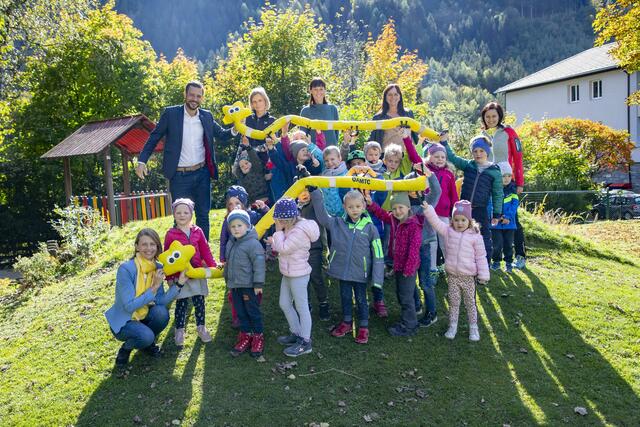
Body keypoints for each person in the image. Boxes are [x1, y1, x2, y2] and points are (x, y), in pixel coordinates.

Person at [136, 81, 236, 240]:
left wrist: (236, 128)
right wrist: (142, 161)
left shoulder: (206, 116)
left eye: (198, 96)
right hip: (179, 176)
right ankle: (181, 256)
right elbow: (155, 137)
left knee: (203, 215)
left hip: (202, 173)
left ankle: (203, 256)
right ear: (185, 94)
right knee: (181, 217)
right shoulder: (171, 114)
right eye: (191, 95)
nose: (194, 99)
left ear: (202, 98)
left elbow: (222, 135)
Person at [311, 189, 384, 345]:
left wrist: (377, 279)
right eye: (351, 207)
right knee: (345, 296)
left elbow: (378, 254)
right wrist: (315, 192)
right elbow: (323, 217)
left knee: (361, 299)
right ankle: (346, 322)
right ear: (344, 207)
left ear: (364, 206)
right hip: (342, 271)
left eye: (358, 206)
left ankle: (363, 326)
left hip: (360, 273)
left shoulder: (370, 228)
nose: (354, 210)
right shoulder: (338, 223)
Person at [105, 228, 181, 367]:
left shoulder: (157, 267)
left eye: (153, 244)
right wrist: (154, 287)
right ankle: (126, 349)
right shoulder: (126, 269)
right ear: (137, 247)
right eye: (144, 244)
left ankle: (145, 342)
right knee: (147, 336)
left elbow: (160, 301)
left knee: (161, 313)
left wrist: (179, 284)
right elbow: (129, 306)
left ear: (157, 247)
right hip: (125, 320)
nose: (149, 248)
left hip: (144, 314)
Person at [423, 200, 489, 341]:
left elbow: (481, 257)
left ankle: (473, 328)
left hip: (468, 278)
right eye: (456, 220)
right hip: (453, 276)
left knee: (470, 303)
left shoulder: (476, 237)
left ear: (469, 220)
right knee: (453, 303)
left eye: (463, 220)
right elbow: (436, 222)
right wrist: (428, 209)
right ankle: (452, 326)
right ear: (452, 220)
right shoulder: (448, 231)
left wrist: (483, 275)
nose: (459, 223)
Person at [267, 198, 320, 356]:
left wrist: (276, 233)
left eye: (281, 220)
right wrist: (276, 240)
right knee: (284, 303)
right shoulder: (289, 227)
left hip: (299, 275)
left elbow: (284, 247)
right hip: (288, 273)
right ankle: (296, 333)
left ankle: (305, 342)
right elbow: (282, 246)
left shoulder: (299, 231)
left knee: (302, 307)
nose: (279, 222)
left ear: (290, 218)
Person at [366, 192, 423, 337]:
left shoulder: (413, 225)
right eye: (395, 208)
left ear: (408, 207)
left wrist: (408, 269)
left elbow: (414, 250)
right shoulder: (393, 218)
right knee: (401, 293)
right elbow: (382, 214)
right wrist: (370, 204)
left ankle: (409, 325)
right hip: (398, 265)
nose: (398, 211)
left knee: (405, 296)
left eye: (401, 207)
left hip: (407, 268)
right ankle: (407, 319)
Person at [440, 134, 503, 265]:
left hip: (481, 208)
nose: (478, 154)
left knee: (483, 236)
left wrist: (497, 214)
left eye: (481, 151)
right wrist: (445, 143)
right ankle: (462, 262)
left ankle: (484, 264)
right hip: (464, 207)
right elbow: (452, 158)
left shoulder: (494, 171)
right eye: (475, 151)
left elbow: (498, 194)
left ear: (487, 152)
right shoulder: (469, 165)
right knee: (460, 233)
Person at [164, 198, 217, 347]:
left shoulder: (197, 231)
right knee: (181, 303)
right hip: (180, 276)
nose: (182, 215)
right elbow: (167, 257)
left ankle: (201, 328)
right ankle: (179, 330)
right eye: (178, 212)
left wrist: (212, 266)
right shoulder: (171, 234)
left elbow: (205, 251)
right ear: (174, 214)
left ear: (191, 214)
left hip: (197, 273)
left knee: (199, 302)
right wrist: (169, 277)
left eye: (185, 212)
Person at [480, 101, 526, 269]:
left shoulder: (509, 132)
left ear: (499, 116)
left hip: (508, 182)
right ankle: (493, 257)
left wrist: (519, 182)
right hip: (488, 182)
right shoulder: (482, 134)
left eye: (494, 116)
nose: (491, 119)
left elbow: (518, 157)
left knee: (512, 218)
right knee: (490, 217)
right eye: (487, 116)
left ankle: (520, 255)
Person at [219, 186, 268, 329]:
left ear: (244, 202)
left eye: (237, 203)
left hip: (248, 261)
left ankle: (253, 317)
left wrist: (264, 209)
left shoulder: (252, 215)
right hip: (234, 262)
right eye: (230, 204)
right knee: (234, 295)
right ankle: (238, 318)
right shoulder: (227, 220)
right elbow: (223, 240)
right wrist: (223, 258)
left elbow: (266, 221)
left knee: (251, 293)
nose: (234, 207)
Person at [224, 209, 266, 358]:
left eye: (239, 225)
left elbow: (259, 264)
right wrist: (227, 279)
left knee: (252, 312)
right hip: (235, 286)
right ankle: (246, 335)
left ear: (247, 226)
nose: (236, 229)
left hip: (249, 287)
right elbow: (229, 263)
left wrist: (258, 284)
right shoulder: (231, 243)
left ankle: (258, 337)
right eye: (233, 226)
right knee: (240, 312)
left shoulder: (253, 244)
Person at [425, 142, 459, 271]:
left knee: (446, 241)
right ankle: (432, 269)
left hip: (444, 213)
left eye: (442, 157)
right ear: (430, 157)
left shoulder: (448, 174)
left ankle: (451, 268)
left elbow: (453, 194)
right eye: (436, 156)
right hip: (429, 212)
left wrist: (454, 213)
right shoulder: (426, 172)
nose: (440, 159)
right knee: (432, 241)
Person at [490, 162, 519, 273]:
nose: (506, 178)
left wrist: (507, 217)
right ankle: (496, 262)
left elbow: (514, 206)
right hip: (496, 222)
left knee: (508, 244)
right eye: (503, 176)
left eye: (509, 176)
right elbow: (491, 205)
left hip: (509, 223)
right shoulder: (493, 190)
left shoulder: (513, 191)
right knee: (497, 244)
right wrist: (499, 217)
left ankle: (508, 263)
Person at [300, 77, 340, 146]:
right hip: (313, 152)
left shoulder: (333, 109)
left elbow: (336, 132)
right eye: (315, 89)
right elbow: (303, 135)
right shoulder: (305, 111)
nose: (318, 92)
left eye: (321, 89)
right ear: (311, 91)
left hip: (331, 151)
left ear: (325, 91)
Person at [232, 137, 271, 205]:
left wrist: (248, 147)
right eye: (242, 166)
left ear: (251, 163)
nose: (245, 166)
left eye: (246, 163)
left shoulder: (256, 169)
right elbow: (235, 170)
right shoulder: (242, 178)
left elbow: (254, 158)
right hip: (253, 204)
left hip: (266, 200)